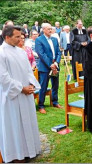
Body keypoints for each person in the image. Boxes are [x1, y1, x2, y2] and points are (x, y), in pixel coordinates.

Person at [0, 25, 41, 163]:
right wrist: (20, 88)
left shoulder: (21, 52)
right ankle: (16, 155)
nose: (20, 39)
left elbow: (28, 71)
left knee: (27, 123)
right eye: (17, 37)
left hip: (26, 94)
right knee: (15, 125)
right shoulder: (1, 53)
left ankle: (30, 150)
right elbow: (3, 77)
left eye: (20, 36)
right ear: (7, 37)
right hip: (12, 97)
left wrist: (31, 85)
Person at [35, 23, 62, 114]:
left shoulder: (54, 39)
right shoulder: (39, 40)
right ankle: (41, 105)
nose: (50, 30)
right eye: (48, 29)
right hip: (45, 67)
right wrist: (50, 64)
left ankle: (55, 102)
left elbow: (59, 52)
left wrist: (56, 63)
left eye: (51, 29)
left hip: (55, 65)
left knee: (55, 85)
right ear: (43, 30)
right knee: (43, 86)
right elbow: (41, 54)